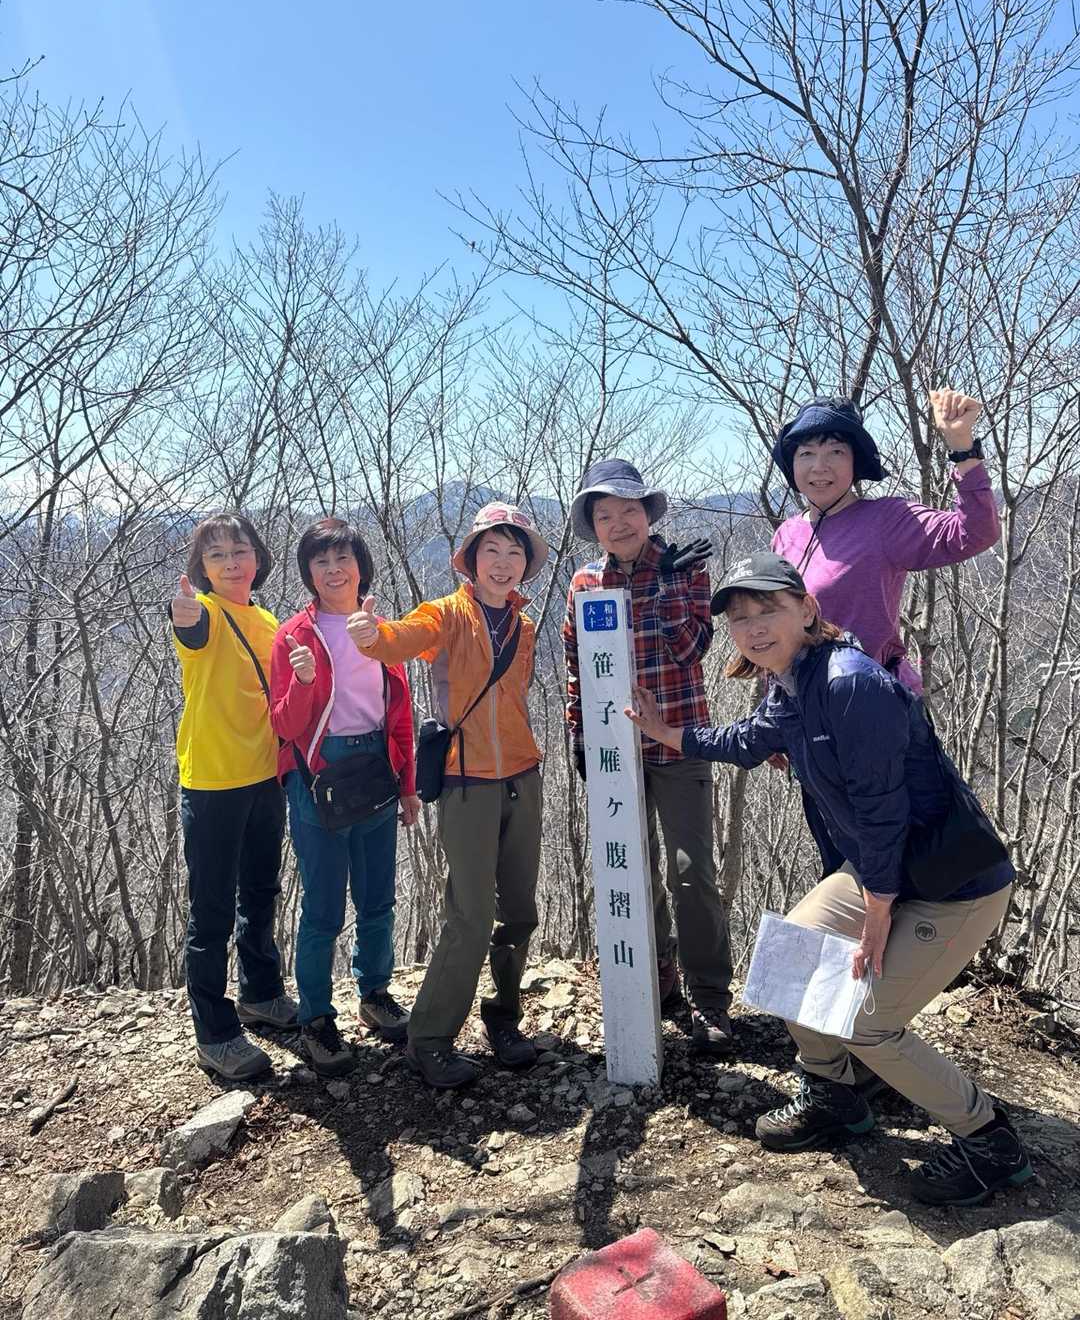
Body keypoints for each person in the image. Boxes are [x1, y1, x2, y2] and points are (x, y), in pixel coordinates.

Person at [626, 552, 1030, 1207]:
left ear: (807, 610)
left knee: (868, 1023)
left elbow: (883, 811)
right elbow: (746, 742)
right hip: (882, 869)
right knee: (787, 959)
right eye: (740, 618)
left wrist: (877, 918)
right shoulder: (790, 683)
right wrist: (664, 731)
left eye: (768, 609)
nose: (754, 627)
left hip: (952, 884)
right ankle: (833, 1093)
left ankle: (988, 1140)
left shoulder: (850, 685)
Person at [349, 502, 549, 1089]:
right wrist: (373, 636)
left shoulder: (524, 627)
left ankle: (504, 1019)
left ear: (525, 563)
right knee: (470, 914)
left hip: (523, 775)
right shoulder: (447, 614)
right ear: (471, 559)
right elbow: (401, 638)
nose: (504, 563)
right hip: (466, 781)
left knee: (520, 909)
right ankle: (430, 1039)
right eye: (493, 551)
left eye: (515, 552)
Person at [564, 458, 734, 1055]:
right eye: (604, 515)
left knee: (692, 872)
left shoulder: (687, 567)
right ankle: (657, 976)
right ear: (594, 526)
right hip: (615, 750)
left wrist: (662, 588)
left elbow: (690, 650)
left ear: (647, 513)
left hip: (679, 740)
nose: (618, 524)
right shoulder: (585, 583)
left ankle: (709, 994)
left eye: (628, 510)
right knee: (635, 869)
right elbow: (576, 665)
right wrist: (579, 733)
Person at [269, 518, 419, 1078]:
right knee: (323, 907)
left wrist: (408, 786)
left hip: (376, 769)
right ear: (308, 572)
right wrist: (304, 682)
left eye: (343, 559)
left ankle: (374, 993)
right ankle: (315, 1016)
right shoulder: (295, 636)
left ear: (361, 567)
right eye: (321, 562)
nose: (333, 571)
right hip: (319, 777)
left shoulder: (380, 633)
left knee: (378, 900)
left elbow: (398, 716)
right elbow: (284, 726)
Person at [170, 512, 298, 1080]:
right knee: (212, 910)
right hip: (213, 781)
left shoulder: (266, 619)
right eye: (216, 554)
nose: (230, 563)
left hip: (265, 775)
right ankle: (215, 1033)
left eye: (239, 550)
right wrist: (185, 616)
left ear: (257, 558)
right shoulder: (205, 612)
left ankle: (260, 993)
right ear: (202, 567)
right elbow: (192, 633)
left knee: (261, 892)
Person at [770, 388, 1000, 693]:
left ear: (856, 462)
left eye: (836, 452)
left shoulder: (886, 520)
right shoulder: (786, 534)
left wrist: (963, 448)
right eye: (806, 454)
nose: (819, 466)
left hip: (872, 702)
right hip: (800, 704)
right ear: (792, 464)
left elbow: (976, 532)